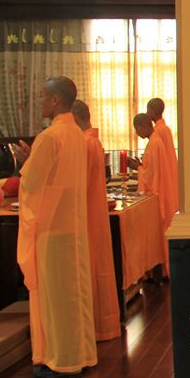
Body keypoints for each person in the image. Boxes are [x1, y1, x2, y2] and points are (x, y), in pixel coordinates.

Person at [16, 77, 97, 378]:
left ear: (54, 100)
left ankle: (62, 361)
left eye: (42, 96)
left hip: (52, 228)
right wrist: (33, 159)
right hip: (72, 226)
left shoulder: (50, 137)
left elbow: (33, 184)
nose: (39, 101)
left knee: (56, 300)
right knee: (73, 295)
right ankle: (81, 355)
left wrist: (26, 164)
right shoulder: (76, 133)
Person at [72, 100, 121, 342]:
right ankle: (103, 322)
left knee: (89, 269)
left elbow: (72, 184)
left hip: (85, 215)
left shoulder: (85, 143)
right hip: (94, 213)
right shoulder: (93, 142)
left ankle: (91, 325)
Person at [133, 113, 179, 237]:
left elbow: (150, 176)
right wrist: (141, 166)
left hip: (158, 195)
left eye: (137, 129)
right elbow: (152, 170)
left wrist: (137, 167)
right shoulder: (154, 142)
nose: (137, 133)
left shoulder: (154, 144)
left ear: (143, 126)